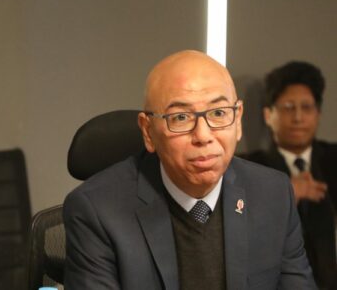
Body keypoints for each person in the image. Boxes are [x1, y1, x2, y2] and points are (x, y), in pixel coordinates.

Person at [64, 50, 315, 289]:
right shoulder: (97, 211)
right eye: (181, 118)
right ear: (148, 131)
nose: (203, 136)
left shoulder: (273, 194)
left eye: (218, 113)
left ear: (238, 120)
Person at [243, 61, 337, 289]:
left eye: (307, 107)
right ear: (268, 115)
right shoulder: (249, 167)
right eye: (288, 107)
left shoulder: (333, 159)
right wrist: (286, 194)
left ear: (318, 114)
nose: (298, 118)